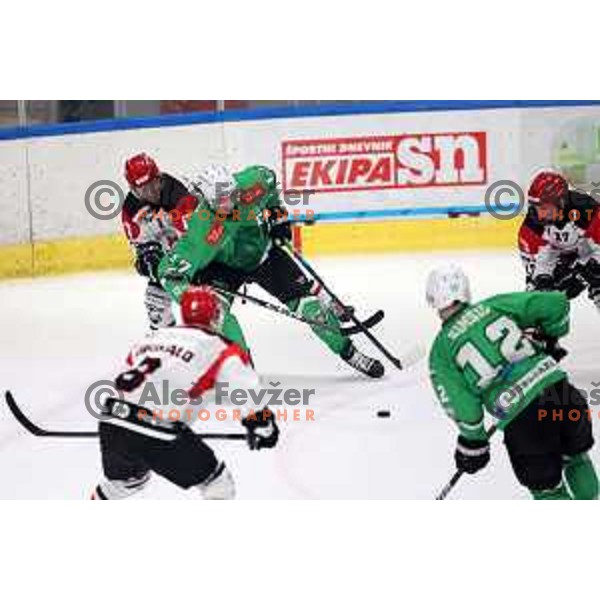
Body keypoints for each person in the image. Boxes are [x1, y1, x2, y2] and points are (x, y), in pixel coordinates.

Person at [156, 164, 384, 378]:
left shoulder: (253, 182)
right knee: (219, 318)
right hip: (222, 270)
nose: (229, 203)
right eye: (220, 200)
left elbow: (270, 186)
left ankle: (350, 352)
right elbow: (168, 273)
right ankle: (243, 373)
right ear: (206, 199)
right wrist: (189, 293)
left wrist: (278, 217)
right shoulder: (201, 226)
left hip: (264, 255)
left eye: (232, 196)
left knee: (311, 308)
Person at [91, 286, 279, 500]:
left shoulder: (153, 337)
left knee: (125, 482)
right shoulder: (219, 345)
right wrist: (264, 427)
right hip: (155, 428)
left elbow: (127, 376)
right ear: (215, 315)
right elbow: (247, 393)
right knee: (218, 485)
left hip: (110, 418)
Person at [426, 265, 598, 500]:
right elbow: (556, 304)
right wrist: (550, 339)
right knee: (577, 458)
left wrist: (474, 442)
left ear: (432, 299)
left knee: (547, 490)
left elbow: (461, 405)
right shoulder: (494, 305)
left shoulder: (441, 352)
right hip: (562, 395)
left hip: (525, 421)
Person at [121, 152, 198, 329]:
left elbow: (197, 234)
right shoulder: (131, 210)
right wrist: (150, 262)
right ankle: (164, 343)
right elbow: (141, 248)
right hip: (170, 261)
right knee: (155, 303)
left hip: (196, 252)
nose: (151, 193)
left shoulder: (180, 192)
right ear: (133, 189)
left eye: (153, 185)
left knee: (201, 305)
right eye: (143, 189)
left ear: (159, 177)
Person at [519, 170, 600, 311]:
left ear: (561, 202)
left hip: (589, 253)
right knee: (538, 298)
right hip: (559, 259)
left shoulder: (589, 211)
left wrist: (584, 273)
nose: (539, 214)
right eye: (536, 207)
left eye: (544, 208)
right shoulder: (531, 228)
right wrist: (543, 282)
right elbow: (537, 269)